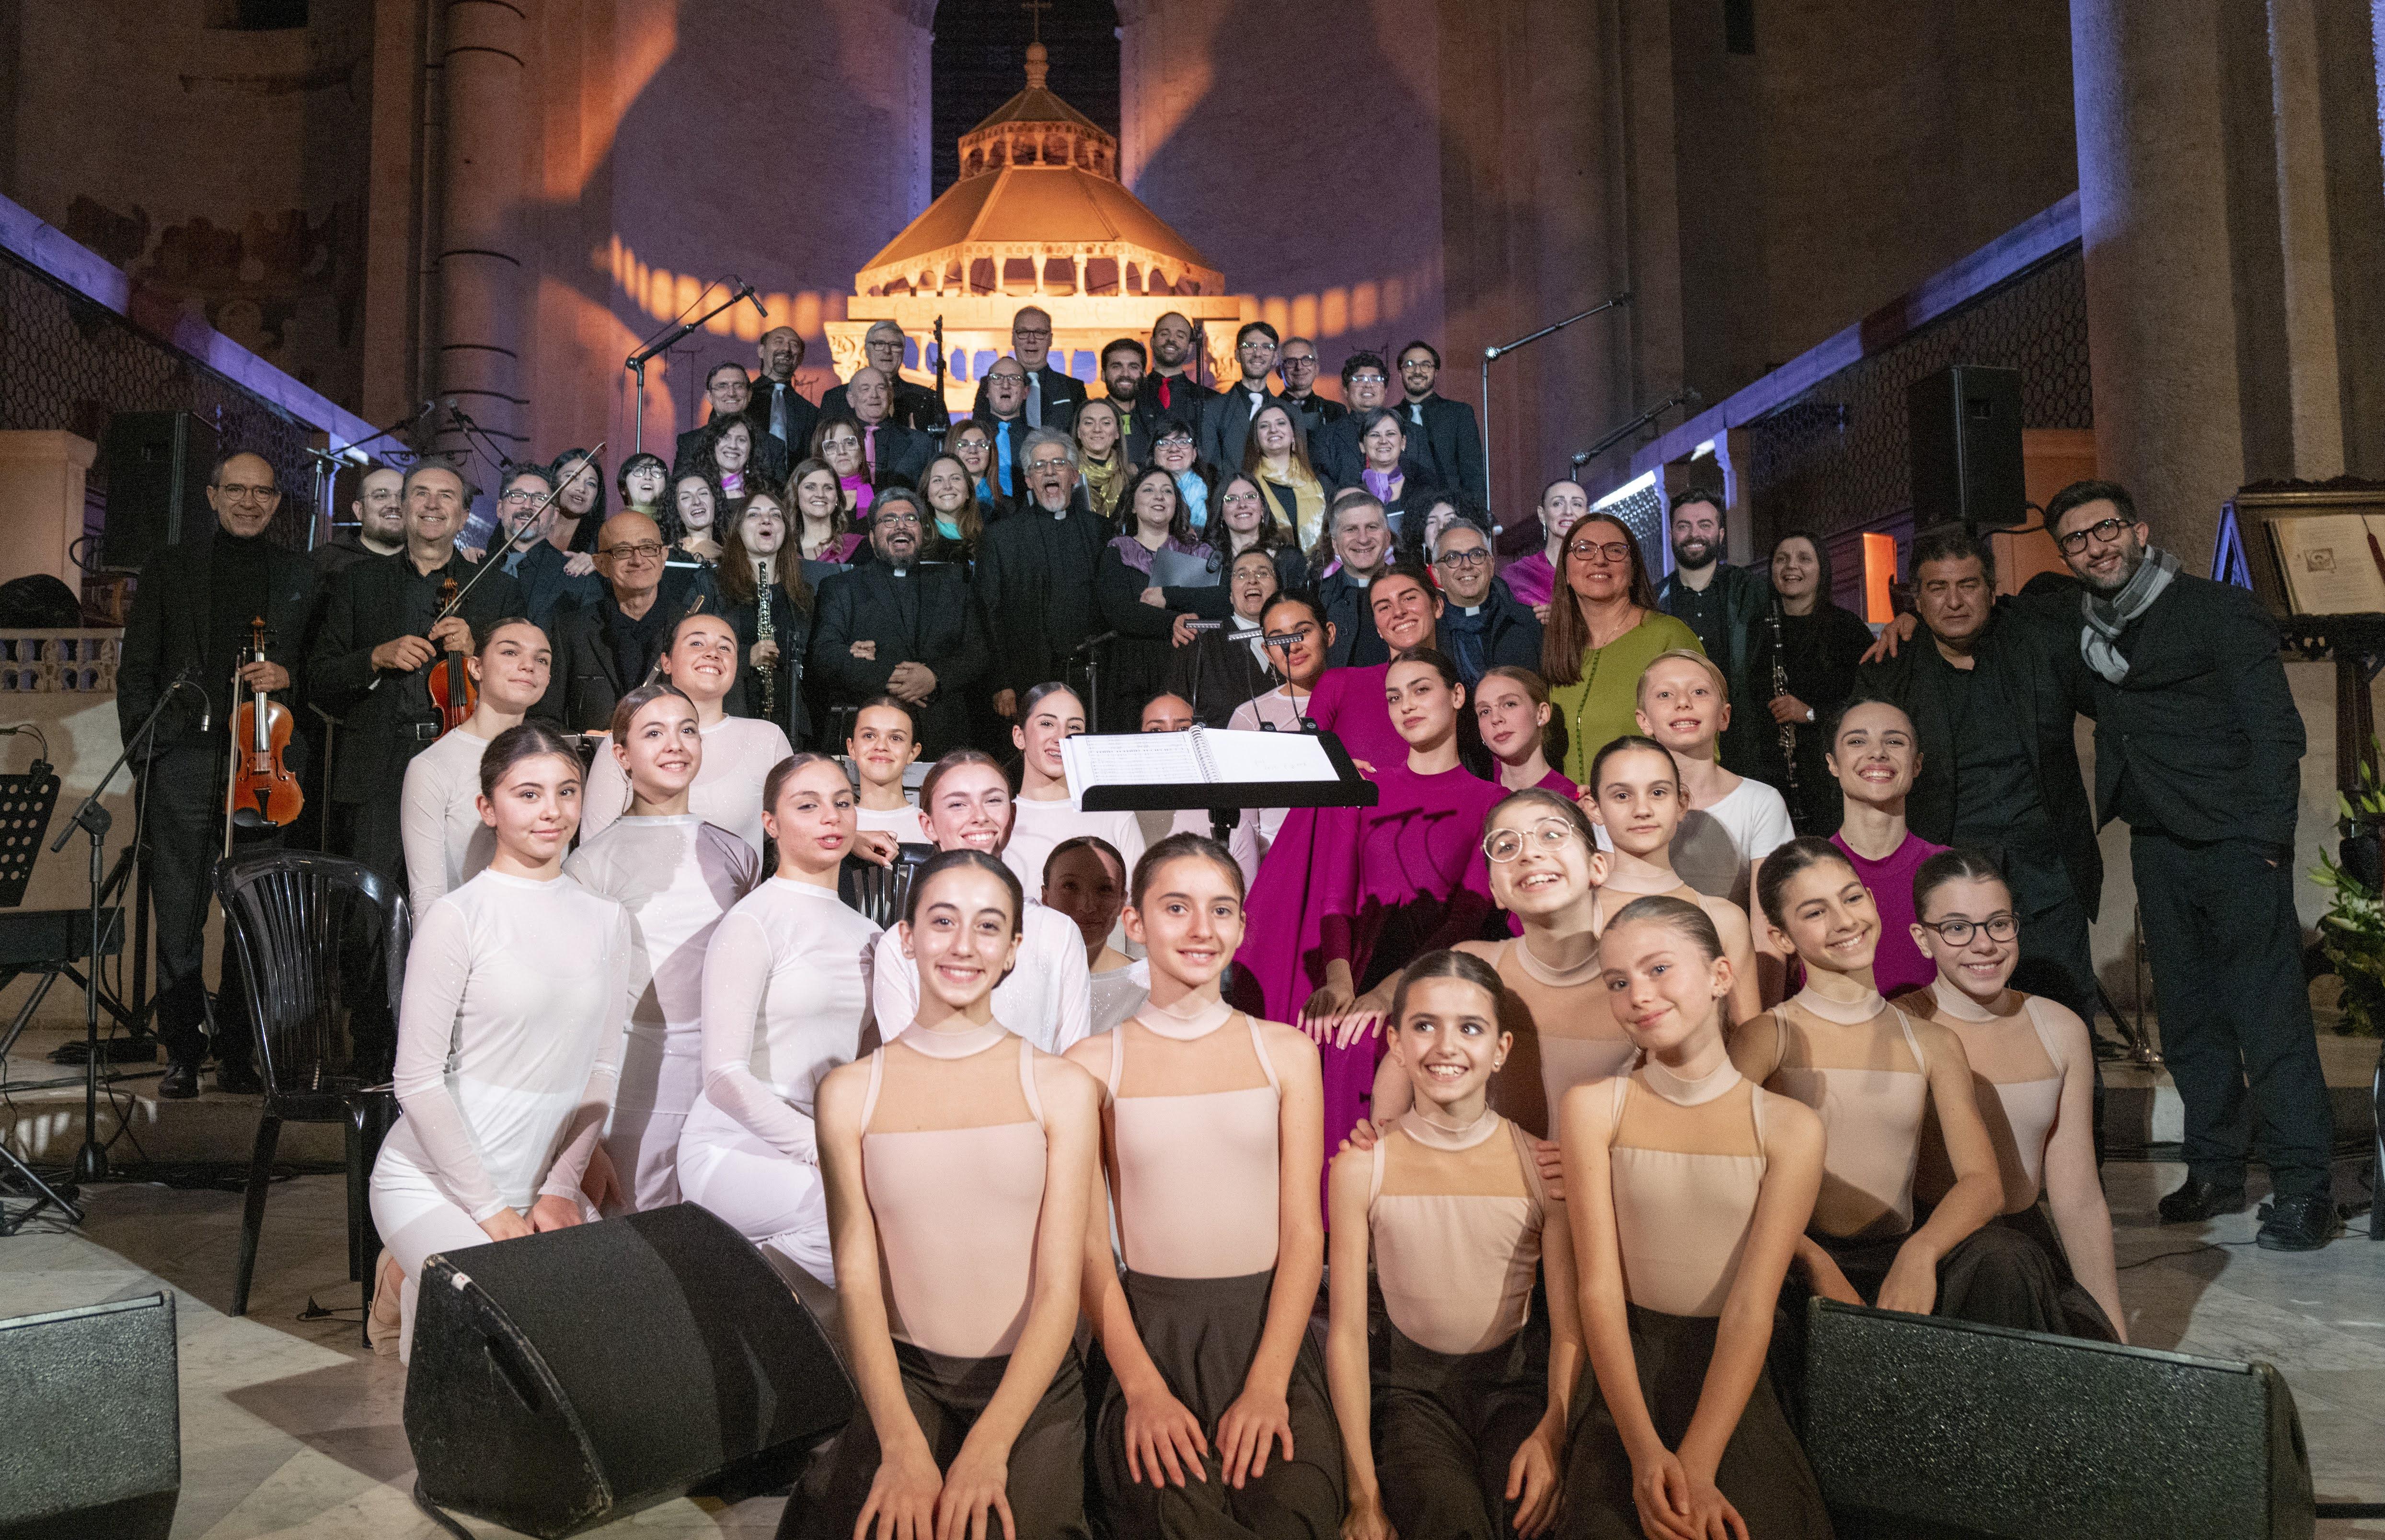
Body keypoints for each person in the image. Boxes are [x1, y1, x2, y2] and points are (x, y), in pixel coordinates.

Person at [2045, 480, 2335, 1248]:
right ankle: (2214, 1168)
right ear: (2065, 555)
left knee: (2268, 1018)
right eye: (2076, 539)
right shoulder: (2088, 628)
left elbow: (2276, 732)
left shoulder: (2216, 610)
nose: (2095, 547)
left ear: (2138, 530)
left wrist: (2268, 841)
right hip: (2158, 841)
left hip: (2237, 843)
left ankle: (2305, 1188)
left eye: (2106, 529)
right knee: (2188, 1017)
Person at [795, 851, 1101, 1540]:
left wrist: (990, 1446)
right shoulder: (848, 1093)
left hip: (1033, 1381)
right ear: (906, 937)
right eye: (942, 921)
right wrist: (900, 1442)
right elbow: (857, 1279)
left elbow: (1061, 1287)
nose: (964, 945)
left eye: (987, 926)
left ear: (1014, 949)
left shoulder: (1062, 1088)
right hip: (905, 1378)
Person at [1069, 834, 1344, 1532]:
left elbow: (1303, 1232)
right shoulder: (1092, 1063)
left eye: (1221, 909)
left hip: (1268, 1330)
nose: (1201, 928)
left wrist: (1270, 1383)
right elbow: (1089, 1247)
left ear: (1242, 926)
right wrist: (1141, 1390)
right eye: (1176, 907)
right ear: (1135, 923)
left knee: (1296, 1512)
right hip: (1149, 1337)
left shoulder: (1286, 1052)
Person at [1562, 895, 1834, 1540]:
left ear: (1719, 975)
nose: (1638, 995)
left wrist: (1699, 1465)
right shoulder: (1593, 1108)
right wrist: (1643, 1452)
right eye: (1618, 982)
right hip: (1625, 1372)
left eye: (1659, 969)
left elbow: (1751, 1308)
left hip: (1734, 1373)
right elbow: (1597, 1289)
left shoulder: (1789, 1127)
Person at [368, 724, 631, 1363]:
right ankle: (408, 1277)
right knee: (505, 1321)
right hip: (434, 1180)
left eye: (567, 791)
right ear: (487, 807)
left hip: (539, 1181)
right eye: (528, 794)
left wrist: (559, 1189)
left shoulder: (608, 919)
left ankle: (411, 1277)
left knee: (601, 1330)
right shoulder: (458, 918)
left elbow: (602, 1069)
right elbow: (416, 1082)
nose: (552, 810)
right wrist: (492, 1214)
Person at [1731, 838, 2035, 1340]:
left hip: (1897, 1251)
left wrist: (1921, 1252)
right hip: (1796, 1255)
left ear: (1872, 901)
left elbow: (1983, 1184)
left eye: (1851, 898)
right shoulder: (1766, 1037)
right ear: (1781, 937)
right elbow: (1722, 1172)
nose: (1844, 921)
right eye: (1815, 912)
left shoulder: (1931, 1042)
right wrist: (1815, 1263)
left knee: (2004, 1256)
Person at [1329, 954, 1578, 1540]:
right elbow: (1346, 1334)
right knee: (1448, 1521)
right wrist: (1363, 1495)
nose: (1447, 1046)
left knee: (1527, 1520)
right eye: (1425, 1025)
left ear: (1501, 1048)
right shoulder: (1361, 1167)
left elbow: (1572, 1327)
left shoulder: (1542, 1167)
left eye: (1470, 1027)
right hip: (1410, 1396)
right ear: (1396, 1043)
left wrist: (1553, 1434)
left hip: (1517, 1392)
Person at [1244, 650, 1504, 1152]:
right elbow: (1335, 899)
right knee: (1318, 1032)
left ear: (1457, 696)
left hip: (1436, 978)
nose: (1406, 705)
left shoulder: (1490, 801)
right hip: (1357, 970)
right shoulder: (1364, 789)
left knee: (1367, 1040)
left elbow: (1468, 917)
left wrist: (1391, 991)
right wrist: (1339, 981)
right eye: (1394, 696)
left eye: (1421, 690)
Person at [118, 449, 319, 1097]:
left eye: (262, 492)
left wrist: (289, 675)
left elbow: (323, 666)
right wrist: (150, 756)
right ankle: (182, 1050)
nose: (249, 502)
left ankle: (239, 1051)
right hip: (184, 759)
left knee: (250, 914)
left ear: (278, 502)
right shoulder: (171, 567)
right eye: (236, 489)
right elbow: (137, 669)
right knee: (178, 914)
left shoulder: (301, 574)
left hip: (264, 763)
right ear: (212, 495)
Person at [1857, 525, 2106, 1037]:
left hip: (2047, 871)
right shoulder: (1889, 671)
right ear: (1916, 599)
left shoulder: (2037, 642)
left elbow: (2075, 598)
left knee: (2065, 1022)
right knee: (1960, 1030)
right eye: (1937, 588)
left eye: (1968, 585)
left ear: (1992, 592)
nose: (1954, 601)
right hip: (1948, 872)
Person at [677, 752, 877, 1317]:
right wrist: (821, 1149)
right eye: (808, 806)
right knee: (841, 1215)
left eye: (842, 802)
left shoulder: (870, 932)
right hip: (734, 1143)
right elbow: (723, 1076)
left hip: (825, 1142)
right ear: (771, 823)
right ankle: (722, 1312)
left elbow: (868, 1065)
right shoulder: (752, 922)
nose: (831, 816)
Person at [1898, 848, 2124, 1340]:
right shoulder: (1901, 1025)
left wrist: (2114, 1336)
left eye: (1998, 924)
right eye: (1957, 928)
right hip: (1935, 1251)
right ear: (1922, 939)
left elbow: (2079, 1199)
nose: (1984, 945)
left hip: (2024, 1253)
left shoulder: (2060, 1028)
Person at [564, 684, 763, 1213]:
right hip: (633, 1086)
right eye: (654, 732)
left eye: (687, 730)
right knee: (638, 1230)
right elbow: (576, 1007)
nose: (675, 744)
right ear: (622, 754)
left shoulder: (736, 854)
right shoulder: (591, 864)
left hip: (721, 1077)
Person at [309, 459, 525, 890]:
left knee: (463, 893)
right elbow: (319, 679)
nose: (432, 504)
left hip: (466, 765)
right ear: (404, 508)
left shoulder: (497, 589)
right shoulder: (357, 582)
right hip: (378, 769)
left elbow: (523, 685)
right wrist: (374, 657)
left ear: (463, 516)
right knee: (370, 906)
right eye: (421, 494)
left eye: (446, 496)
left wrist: (477, 652)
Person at [871, 751, 1095, 1055]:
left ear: (1012, 817)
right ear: (928, 825)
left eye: (993, 800)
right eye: (958, 804)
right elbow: (906, 1063)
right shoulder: (897, 946)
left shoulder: (1058, 931)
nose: (980, 816)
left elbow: (1073, 1057)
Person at [1579, 736, 1764, 1025]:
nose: (1642, 810)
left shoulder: (1726, 919)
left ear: (1681, 803)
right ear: (1594, 808)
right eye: (1622, 796)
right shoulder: (1579, 917)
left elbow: (1749, 1035)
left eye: (1658, 792)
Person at [581, 612, 794, 858]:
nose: (713, 653)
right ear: (666, 662)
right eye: (697, 643)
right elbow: (593, 852)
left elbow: (795, 837)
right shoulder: (626, 741)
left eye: (725, 648)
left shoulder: (767, 738)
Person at [811, 485, 989, 757]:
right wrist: (887, 677)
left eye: (910, 519)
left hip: (944, 737)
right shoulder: (840, 587)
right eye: (889, 520)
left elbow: (978, 652)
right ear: (872, 538)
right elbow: (824, 655)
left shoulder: (955, 586)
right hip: (871, 736)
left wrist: (934, 677)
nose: (901, 526)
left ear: (922, 533)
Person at [400, 618, 552, 910]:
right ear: (476, 667)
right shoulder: (432, 767)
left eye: (542, 660)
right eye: (510, 652)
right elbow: (428, 899)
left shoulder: (551, 762)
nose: (528, 666)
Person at [1542, 513, 1703, 785]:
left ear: (1633, 571)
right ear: (1566, 571)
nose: (1599, 560)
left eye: (1615, 551)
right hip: (1572, 809)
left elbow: (1700, 748)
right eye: (1584, 549)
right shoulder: (1558, 646)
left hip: (1650, 807)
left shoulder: (1668, 637)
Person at [1633, 649, 1795, 913]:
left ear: (1724, 716)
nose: (1683, 702)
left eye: (1699, 692)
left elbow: (1770, 920)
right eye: (1665, 694)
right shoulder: (1623, 804)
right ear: (1644, 721)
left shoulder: (1760, 803)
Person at [974, 429, 1111, 722]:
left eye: (1059, 463)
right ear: (1028, 480)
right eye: (1039, 466)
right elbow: (988, 613)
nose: (1049, 471)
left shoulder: (1101, 531)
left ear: (1074, 475)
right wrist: (1001, 683)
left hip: (1093, 677)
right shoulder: (1002, 537)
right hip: (1027, 678)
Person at [1747, 529, 1874, 832]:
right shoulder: (1756, 631)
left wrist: (1809, 713)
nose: (1792, 566)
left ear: (1822, 570)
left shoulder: (1847, 628)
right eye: (1782, 559)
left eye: (1804, 559)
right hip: (1773, 778)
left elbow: (1870, 704)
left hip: (1831, 778)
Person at [1821, 698, 1946, 998]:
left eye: (1894, 742)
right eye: (1857, 741)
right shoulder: (1807, 873)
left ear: (1917, 764)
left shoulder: (1946, 870)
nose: (1877, 753)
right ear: (1833, 764)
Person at [544, 511, 705, 732]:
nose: (638, 560)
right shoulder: (571, 630)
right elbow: (545, 718)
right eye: (622, 551)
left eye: (648, 548)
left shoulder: (693, 629)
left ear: (664, 556)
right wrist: (589, 743)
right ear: (601, 564)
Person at [1656, 490, 1768, 776]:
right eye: (1684, 526)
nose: (1694, 534)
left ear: (1720, 534)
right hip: (1675, 742)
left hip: (1746, 741)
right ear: (1672, 534)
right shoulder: (1653, 601)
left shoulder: (1753, 591)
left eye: (1705, 525)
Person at [1002, 681, 1148, 895]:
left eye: (1074, 727)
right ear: (1019, 737)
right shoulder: (999, 820)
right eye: (1047, 724)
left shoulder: (1115, 817)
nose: (1061, 738)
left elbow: (1139, 905)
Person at [1304, 563, 1445, 769]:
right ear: (1378, 627)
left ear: (1438, 606)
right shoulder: (1338, 685)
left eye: (1409, 598)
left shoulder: (1461, 690)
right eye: (1384, 607)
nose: (1399, 612)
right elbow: (1305, 770)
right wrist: (1341, 773)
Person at [1095, 467, 1204, 731]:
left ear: (1176, 505)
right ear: (1132, 506)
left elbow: (1208, 605)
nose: (1159, 496)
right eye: (1149, 490)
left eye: (1167, 491)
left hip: (1187, 668)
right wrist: (1173, 620)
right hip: (1133, 673)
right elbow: (1120, 612)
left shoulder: (1196, 553)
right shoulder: (1117, 552)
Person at [713, 490, 811, 746]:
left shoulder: (802, 593)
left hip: (790, 723)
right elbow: (694, 649)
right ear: (738, 529)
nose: (766, 520)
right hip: (733, 715)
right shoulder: (713, 585)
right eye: (754, 515)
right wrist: (747, 657)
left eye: (776, 515)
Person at [1168, 545, 1282, 727]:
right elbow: (1173, 708)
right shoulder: (1200, 639)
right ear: (1230, 596)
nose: (1252, 580)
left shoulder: (1296, 641)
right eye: (1242, 575)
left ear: (1278, 589)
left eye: (1263, 574)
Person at [1041, 836, 1141, 1034]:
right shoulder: (1011, 977)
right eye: (1070, 886)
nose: (1087, 906)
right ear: (1046, 897)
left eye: (1105, 889)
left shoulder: (1148, 987)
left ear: (1122, 901)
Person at [485, 466, 601, 632]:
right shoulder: (474, 567)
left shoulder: (581, 580)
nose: (527, 506)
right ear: (500, 509)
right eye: (517, 496)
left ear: (555, 516)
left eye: (540, 499)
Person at [1433, 516, 1543, 688]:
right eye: (1453, 558)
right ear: (1437, 574)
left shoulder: (1531, 622)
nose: (1466, 565)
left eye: (1477, 555)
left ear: (1491, 565)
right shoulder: (1429, 634)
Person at [1392, 340, 1487, 503]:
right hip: (1402, 508)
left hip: (1452, 508)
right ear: (1400, 373)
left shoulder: (1459, 413)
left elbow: (1473, 473)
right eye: (1410, 365)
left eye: (1426, 365)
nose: (1418, 371)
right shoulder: (1390, 418)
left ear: (1436, 372)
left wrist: (1474, 513)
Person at [1315, 490, 1401, 667]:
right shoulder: (1318, 598)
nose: (1363, 539)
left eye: (1372, 527)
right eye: (1351, 529)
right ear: (1335, 544)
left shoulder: (1411, 589)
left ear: (1387, 538)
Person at [967, 304, 1086, 431]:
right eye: (1023, 333)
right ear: (1013, 338)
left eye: (1040, 333)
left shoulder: (1073, 388)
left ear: (1051, 339)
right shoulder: (992, 384)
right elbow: (979, 433)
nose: (1031, 340)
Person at [1198, 320, 1289, 474]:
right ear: (1237, 355)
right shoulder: (1212, 410)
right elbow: (1208, 469)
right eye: (1249, 346)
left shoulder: (1290, 412)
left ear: (1275, 358)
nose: (1258, 354)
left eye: (1266, 347)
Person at [819, 321, 944, 431]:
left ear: (903, 352)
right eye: (879, 344)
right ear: (867, 350)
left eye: (895, 345)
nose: (887, 351)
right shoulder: (836, 399)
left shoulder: (929, 400)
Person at [1242, 401, 1329, 552]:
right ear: (1256, 439)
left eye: (1281, 423)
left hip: (1319, 564)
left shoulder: (1321, 483)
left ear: (1293, 435)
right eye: (1264, 426)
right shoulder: (1247, 486)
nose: (1273, 430)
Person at [1475, 665, 1574, 795]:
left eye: (1510, 704)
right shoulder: (1474, 800)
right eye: (1485, 712)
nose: (1495, 719)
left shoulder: (1572, 800)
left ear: (1542, 714)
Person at [675, 361, 779, 483]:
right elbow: (680, 489)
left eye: (739, 386)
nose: (731, 393)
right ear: (710, 396)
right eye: (722, 386)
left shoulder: (773, 446)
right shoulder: (689, 443)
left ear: (749, 394)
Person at [847, 697, 928, 844]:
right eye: (869, 736)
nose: (881, 746)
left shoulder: (932, 828)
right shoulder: (833, 825)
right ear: (852, 748)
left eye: (896, 738)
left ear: (913, 753)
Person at [840, 367, 936, 488]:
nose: (874, 395)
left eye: (881, 388)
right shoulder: (836, 443)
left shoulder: (922, 444)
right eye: (865, 389)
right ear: (851, 399)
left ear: (891, 395)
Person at [1504, 479, 1589, 616]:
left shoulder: (1598, 569)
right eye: (1558, 504)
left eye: (1577, 504)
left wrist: (1564, 617)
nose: (1568, 512)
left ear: (1587, 515)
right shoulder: (1519, 574)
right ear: (1542, 514)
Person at [1309, 352, 1393, 491]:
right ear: (1346, 390)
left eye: (1376, 379)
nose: (1368, 385)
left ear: (1386, 390)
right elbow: (1322, 488)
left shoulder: (1412, 433)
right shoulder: (1324, 438)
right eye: (1359, 379)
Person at [1339, 407, 1428, 528]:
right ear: (1362, 446)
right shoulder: (1351, 494)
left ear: (1403, 442)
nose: (1383, 441)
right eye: (1375, 435)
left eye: (1390, 434)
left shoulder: (1424, 487)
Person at [314, 463, 404, 577]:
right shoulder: (322, 566)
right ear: (359, 510)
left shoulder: (425, 561)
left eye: (402, 497)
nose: (394, 504)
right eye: (381, 496)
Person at [972, 358, 1038, 504]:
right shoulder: (970, 438)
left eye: (1014, 379)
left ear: (1026, 392)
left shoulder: (1038, 440)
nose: (1006, 385)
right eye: (997, 378)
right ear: (987, 391)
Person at [749, 325, 820, 456]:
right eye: (779, 342)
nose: (787, 349)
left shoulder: (810, 413)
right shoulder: (740, 401)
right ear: (761, 351)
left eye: (794, 345)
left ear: (801, 358)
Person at [787, 457, 864, 575]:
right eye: (810, 487)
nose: (820, 494)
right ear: (796, 495)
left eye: (828, 488)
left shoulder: (860, 548)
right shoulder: (785, 551)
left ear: (837, 497)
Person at [919, 451, 992, 566]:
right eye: (938, 480)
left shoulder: (991, 537)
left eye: (955, 478)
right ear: (927, 494)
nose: (947, 487)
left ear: (968, 491)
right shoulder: (917, 541)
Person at [1142, 310, 1215, 422]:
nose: (1171, 339)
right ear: (1152, 342)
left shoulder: (1209, 400)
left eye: (1180, 336)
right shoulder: (1134, 395)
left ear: (1190, 348)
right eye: (1164, 334)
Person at [1100, 336, 1159, 469]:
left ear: (1144, 374)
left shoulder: (1158, 417)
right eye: (1117, 367)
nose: (1125, 374)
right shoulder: (1091, 420)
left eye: (1133, 367)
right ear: (1103, 375)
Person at [1148, 415, 1214, 533]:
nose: (1174, 449)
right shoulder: (1140, 487)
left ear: (1194, 454)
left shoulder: (1208, 491)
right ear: (1153, 455)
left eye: (1183, 442)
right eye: (1164, 443)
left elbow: (1197, 536)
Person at [1071, 397, 1132, 521]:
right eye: (1089, 423)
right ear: (1078, 432)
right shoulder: (1065, 476)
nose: (1097, 430)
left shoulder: (1132, 480)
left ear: (1117, 432)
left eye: (1106, 423)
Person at [1275, 335, 1345, 439]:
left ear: (1316, 369)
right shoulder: (1265, 411)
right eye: (1291, 362)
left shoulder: (1335, 412)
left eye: (1306, 360)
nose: (1299, 367)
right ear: (1279, 372)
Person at [811, 414, 878, 519]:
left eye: (849, 443)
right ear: (821, 457)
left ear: (862, 452)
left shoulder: (882, 498)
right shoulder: (812, 499)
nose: (842, 451)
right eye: (831, 446)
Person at [548, 448, 609, 555]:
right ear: (552, 480)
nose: (581, 489)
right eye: (572, 477)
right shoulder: (531, 524)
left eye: (591, 484)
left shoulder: (604, 539)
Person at [948, 419, 1008, 517]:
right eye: (964, 445)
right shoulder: (938, 501)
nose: (973, 451)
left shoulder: (1006, 506)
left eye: (981, 445)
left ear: (991, 452)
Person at [669, 473, 724, 563]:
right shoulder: (666, 559)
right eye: (686, 497)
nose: (697, 501)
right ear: (677, 509)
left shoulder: (733, 557)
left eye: (703, 494)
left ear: (715, 500)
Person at [617, 452, 671, 521]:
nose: (648, 477)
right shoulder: (613, 526)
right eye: (639, 471)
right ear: (623, 488)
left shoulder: (677, 526)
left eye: (656, 472)